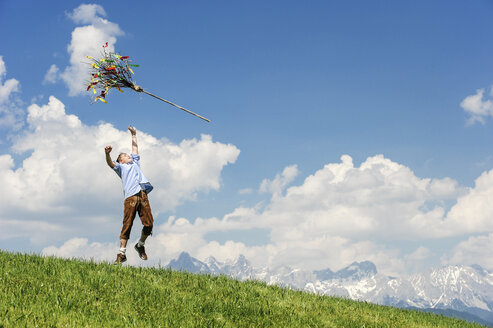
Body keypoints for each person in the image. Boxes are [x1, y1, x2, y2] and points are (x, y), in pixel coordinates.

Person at [104, 126, 154, 264]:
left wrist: (133, 135)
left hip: (142, 195)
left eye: (128, 155)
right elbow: (110, 164)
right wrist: (107, 154)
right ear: (121, 161)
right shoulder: (121, 167)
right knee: (127, 224)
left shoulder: (135, 162)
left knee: (149, 224)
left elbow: (135, 149)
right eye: (125, 156)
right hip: (130, 198)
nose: (128, 156)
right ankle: (121, 253)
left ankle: (140, 245)